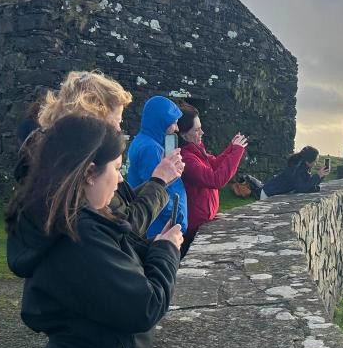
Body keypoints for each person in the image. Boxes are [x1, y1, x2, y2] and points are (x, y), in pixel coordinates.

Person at [15, 71, 184, 348]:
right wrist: (165, 252)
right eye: (116, 165)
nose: (121, 175)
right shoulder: (78, 229)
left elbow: (119, 233)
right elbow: (141, 303)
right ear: (89, 167)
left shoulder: (60, 204)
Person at [17, 70, 184, 240]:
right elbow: (123, 226)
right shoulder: (81, 169)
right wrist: (159, 182)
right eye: (116, 122)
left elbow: (121, 202)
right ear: (94, 117)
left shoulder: (64, 160)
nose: (119, 130)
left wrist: (160, 181)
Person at [178, 103, 248, 249]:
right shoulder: (186, 158)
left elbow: (214, 164)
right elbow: (216, 180)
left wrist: (231, 148)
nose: (202, 132)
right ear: (184, 135)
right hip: (193, 229)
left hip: (202, 222)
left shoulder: (196, 151)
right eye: (197, 130)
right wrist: (236, 151)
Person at [126, 96, 188, 239]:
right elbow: (156, 186)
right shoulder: (151, 148)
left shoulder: (144, 141)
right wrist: (177, 218)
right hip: (159, 227)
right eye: (174, 123)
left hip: (157, 222)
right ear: (162, 121)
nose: (177, 128)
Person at [260, 146, 330, 198]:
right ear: (308, 161)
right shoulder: (296, 168)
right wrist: (318, 175)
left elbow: (308, 184)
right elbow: (302, 187)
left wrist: (321, 176)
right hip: (269, 194)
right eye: (315, 161)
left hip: (275, 193)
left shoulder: (303, 167)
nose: (316, 164)